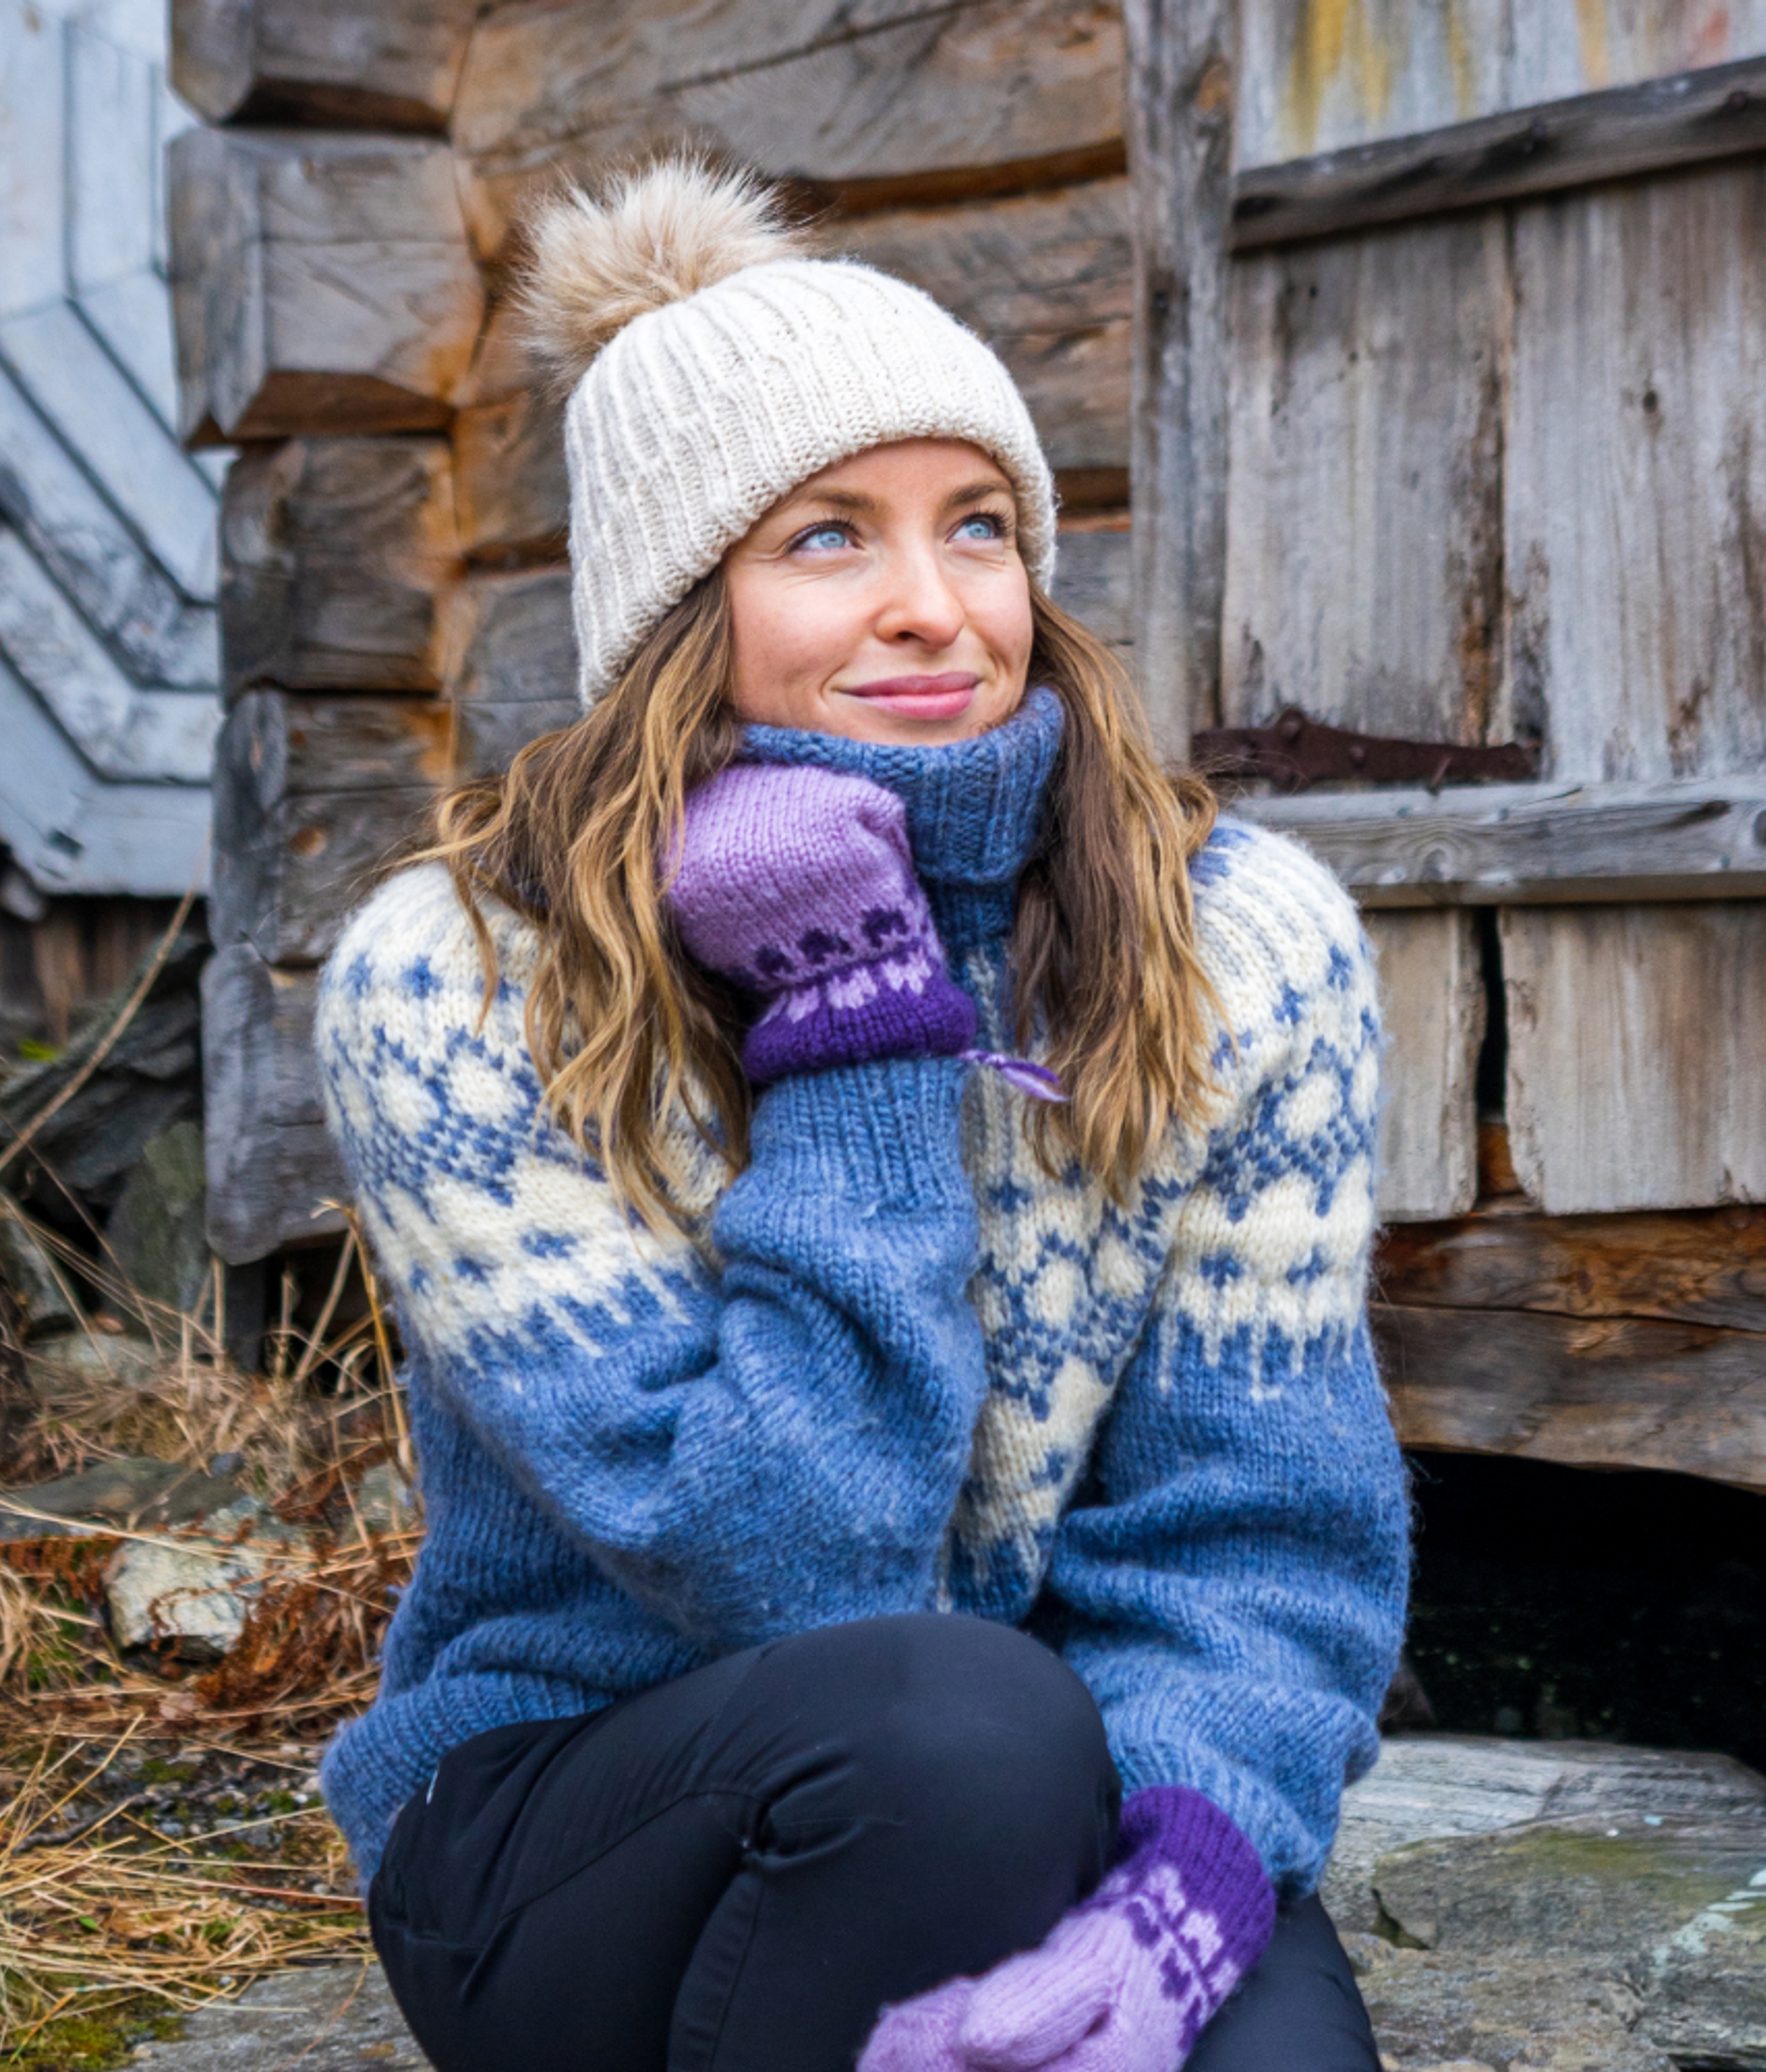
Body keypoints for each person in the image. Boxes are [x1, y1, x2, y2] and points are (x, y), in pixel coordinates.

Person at [314, 160, 1408, 2072]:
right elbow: (782, 1572)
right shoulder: (456, 984)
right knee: (953, 1733)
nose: (933, 609)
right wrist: (860, 1027)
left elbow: (1259, 1541)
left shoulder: (1245, 947)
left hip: (1059, 1787)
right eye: (829, 539)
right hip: (582, 1827)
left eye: (977, 528)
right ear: (679, 607)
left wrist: (1185, 1892)